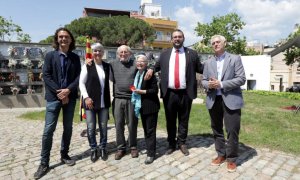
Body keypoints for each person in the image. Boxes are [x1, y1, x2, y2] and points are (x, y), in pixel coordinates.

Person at [145, 29, 203, 156]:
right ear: (171, 39)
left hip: (186, 93)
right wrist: (150, 69)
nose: (177, 39)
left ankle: (182, 142)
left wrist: (214, 68)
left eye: (179, 37)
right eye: (175, 37)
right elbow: (156, 66)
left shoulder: (192, 54)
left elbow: (201, 68)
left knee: (184, 119)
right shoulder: (165, 54)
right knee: (170, 119)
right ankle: (171, 143)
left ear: (183, 38)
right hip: (169, 93)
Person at [34, 27, 81, 179]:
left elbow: (79, 77)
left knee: (68, 128)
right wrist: (60, 93)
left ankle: (64, 154)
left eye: (66, 36)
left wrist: (68, 91)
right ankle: (44, 162)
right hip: (54, 99)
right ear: (57, 39)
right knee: (48, 130)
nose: (63, 39)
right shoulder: (50, 56)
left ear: (70, 39)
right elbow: (46, 76)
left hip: (70, 97)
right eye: (60, 37)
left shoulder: (75, 58)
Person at [201, 35, 246, 172]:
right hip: (214, 99)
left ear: (224, 43)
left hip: (231, 99)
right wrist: (209, 84)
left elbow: (241, 79)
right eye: (213, 43)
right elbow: (203, 80)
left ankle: (231, 159)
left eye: (218, 42)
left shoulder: (235, 58)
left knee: (232, 130)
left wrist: (221, 84)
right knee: (216, 129)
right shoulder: (208, 62)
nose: (215, 44)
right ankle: (221, 154)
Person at [87, 45, 139, 160]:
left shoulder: (135, 63)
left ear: (130, 53)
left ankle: (133, 146)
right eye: (121, 52)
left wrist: (150, 68)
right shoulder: (112, 64)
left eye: (126, 52)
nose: (123, 54)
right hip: (118, 99)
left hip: (132, 98)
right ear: (118, 54)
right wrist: (91, 60)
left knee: (132, 124)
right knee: (119, 124)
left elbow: (145, 66)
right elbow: (101, 67)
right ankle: (120, 148)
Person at [79, 43, 111, 162]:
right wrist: (86, 97)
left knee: (103, 126)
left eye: (100, 51)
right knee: (91, 127)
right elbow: (81, 83)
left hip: (104, 102)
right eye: (95, 51)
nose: (97, 53)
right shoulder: (87, 65)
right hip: (90, 102)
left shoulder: (107, 66)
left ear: (103, 53)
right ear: (92, 53)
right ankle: (93, 148)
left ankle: (103, 147)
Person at [131, 55, 160, 164]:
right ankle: (150, 149)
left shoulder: (150, 74)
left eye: (142, 61)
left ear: (146, 63)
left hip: (151, 106)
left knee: (150, 131)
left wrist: (141, 91)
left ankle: (151, 154)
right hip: (141, 106)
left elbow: (154, 91)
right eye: (138, 61)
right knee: (146, 130)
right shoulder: (137, 73)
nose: (139, 63)